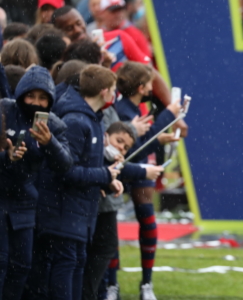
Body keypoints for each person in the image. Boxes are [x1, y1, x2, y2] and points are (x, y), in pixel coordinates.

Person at [25, 65, 123, 300]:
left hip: (78, 215)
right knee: (64, 271)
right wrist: (104, 176)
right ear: (103, 91)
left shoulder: (91, 120)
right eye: (113, 90)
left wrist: (103, 182)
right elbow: (66, 170)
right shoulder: (77, 121)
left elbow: (81, 168)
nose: (114, 95)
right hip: (62, 214)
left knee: (76, 266)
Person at [0, 65, 73, 300]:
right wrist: (6, 157)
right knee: (1, 263)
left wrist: (49, 143)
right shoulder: (4, 110)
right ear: (20, 94)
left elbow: (65, 164)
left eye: (42, 98)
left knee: (21, 266)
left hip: (25, 202)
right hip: (1, 197)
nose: (35, 102)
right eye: (30, 95)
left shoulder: (53, 125)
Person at [114, 61, 181, 300]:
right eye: (150, 83)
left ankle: (145, 284)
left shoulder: (130, 109)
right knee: (112, 222)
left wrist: (160, 139)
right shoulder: (122, 111)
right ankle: (115, 284)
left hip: (138, 169)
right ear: (142, 87)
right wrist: (169, 115)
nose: (153, 88)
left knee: (147, 219)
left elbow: (144, 143)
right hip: (128, 170)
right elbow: (136, 151)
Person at [82, 121, 165, 300]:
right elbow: (84, 170)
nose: (120, 148)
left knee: (102, 250)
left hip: (94, 210)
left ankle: (106, 289)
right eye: (118, 141)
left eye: (126, 147)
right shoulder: (95, 143)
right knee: (90, 254)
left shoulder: (107, 152)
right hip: (81, 213)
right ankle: (106, 288)